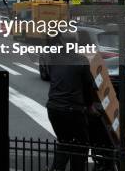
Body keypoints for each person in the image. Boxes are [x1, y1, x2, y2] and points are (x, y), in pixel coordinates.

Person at [46, 34, 94, 171]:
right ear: (76, 44)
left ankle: (57, 168)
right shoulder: (81, 60)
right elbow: (87, 86)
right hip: (72, 109)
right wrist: (90, 106)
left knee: (64, 142)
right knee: (81, 144)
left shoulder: (53, 58)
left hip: (53, 107)